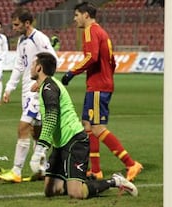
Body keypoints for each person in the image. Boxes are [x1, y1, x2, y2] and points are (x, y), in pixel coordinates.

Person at [30, 51, 138, 199]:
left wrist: (40, 149)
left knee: (77, 193)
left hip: (74, 141)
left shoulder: (49, 88)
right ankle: (82, 180)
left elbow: (51, 118)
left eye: (32, 64)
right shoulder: (47, 85)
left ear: (38, 68)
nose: (30, 67)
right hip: (61, 144)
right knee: (52, 190)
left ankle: (115, 181)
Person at [61, 2, 143, 181]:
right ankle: (96, 170)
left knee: (97, 128)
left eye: (76, 15)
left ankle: (131, 163)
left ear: (85, 15)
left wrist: (71, 73)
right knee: (88, 125)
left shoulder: (90, 31)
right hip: (99, 85)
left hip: (98, 87)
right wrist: (106, 77)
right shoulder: (102, 32)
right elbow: (112, 62)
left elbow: (92, 57)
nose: (75, 19)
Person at [0, 7, 57, 183]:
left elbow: (53, 59)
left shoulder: (39, 38)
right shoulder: (22, 41)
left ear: (27, 23)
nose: (13, 28)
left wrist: (42, 81)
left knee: (23, 128)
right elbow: (19, 66)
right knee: (36, 132)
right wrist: (9, 88)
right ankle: (43, 170)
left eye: (16, 24)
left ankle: (16, 171)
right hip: (26, 91)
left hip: (36, 92)